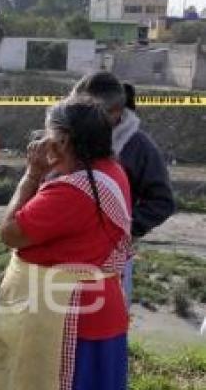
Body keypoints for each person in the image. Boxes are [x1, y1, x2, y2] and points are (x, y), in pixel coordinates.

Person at [0, 97, 132, 390]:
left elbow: (10, 234)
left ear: (66, 141)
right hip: (97, 306)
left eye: (49, 133)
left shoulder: (68, 192)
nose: (42, 140)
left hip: (68, 315)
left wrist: (31, 175)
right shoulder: (110, 172)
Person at [72, 72, 175, 305]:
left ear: (116, 113)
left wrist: (121, 231)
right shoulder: (71, 136)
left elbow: (162, 202)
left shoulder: (138, 146)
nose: (80, 120)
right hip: (67, 251)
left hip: (112, 258)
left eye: (88, 114)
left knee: (105, 324)